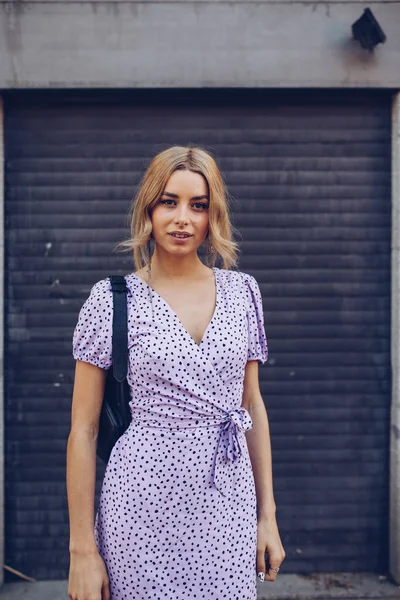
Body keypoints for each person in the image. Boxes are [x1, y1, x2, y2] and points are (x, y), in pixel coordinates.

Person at [66, 145, 285, 600]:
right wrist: (82, 551)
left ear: (213, 216)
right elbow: (83, 430)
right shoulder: (112, 299)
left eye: (198, 205)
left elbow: (251, 407)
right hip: (139, 507)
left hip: (228, 504)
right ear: (149, 209)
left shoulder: (243, 293)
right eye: (169, 201)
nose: (183, 218)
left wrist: (268, 516)